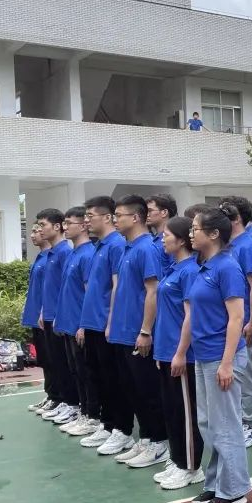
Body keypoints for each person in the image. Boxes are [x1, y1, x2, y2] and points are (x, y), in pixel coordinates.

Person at [185, 206, 251, 503]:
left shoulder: (227, 268)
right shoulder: (205, 266)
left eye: (195, 229)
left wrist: (227, 363)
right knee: (209, 424)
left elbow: (236, 318)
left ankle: (234, 489)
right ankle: (215, 483)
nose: (191, 233)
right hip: (203, 355)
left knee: (225, 424)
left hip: (221, 356)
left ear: (213, 234)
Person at [104, 194, 168, 465]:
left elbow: (153, 290)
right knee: (131, 389)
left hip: (137, 333)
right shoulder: (127, 248)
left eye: (119, 215)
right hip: (122, 332)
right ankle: (146, 438)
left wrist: (145, 331)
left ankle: (160, 442)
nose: (115, 220)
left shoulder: (147, 249)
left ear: (136, 217)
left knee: (147, 390)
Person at [155, 216, 204, 490]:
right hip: (165, 350)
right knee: (172, 410)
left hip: (181, 353)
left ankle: (191, 467)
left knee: (186, 413)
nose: (163, 239)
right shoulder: (173, 268)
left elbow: (190, 315)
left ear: (182, 240)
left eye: (167, 235)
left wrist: (181, 352)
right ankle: (177, 460)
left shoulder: (190, 272)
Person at [76, 196, 128, 450]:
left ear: (107, 217)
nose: (86, 221)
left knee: (112, 380)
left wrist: (110, 321)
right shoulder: (99, 246)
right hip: (92, 323)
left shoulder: (117, 244)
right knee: (97, 377)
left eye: (90, 216)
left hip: (105, 325)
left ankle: (119, 429)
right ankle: (106, 425)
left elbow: (117, 286)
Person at [222, 200, 252, 448]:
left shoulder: (246, 246)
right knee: (235, 373)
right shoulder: (228, 245)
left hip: (245, 321)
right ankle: (238, 420)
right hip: (230, 321)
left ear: (237, 218)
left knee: (248, 374)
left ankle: (250, 425)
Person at [54, 207, 100, 436]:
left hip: (80, 325)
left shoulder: (88, 254)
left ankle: (93, 415)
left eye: (69, 223)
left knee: (86, 372)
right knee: (75, 370)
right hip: (68, 323)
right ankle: (83, 412)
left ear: (83, 226)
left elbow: (89, 292)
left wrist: (83, 324)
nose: (65, 227)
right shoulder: (73, 253)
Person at [36, 208, 80, 424]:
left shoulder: (64, 252)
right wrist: (43, 310)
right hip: (50, 315)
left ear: (56, 226)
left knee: (65, 363)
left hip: (60, 317)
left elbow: (66, 288)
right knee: (55, 361)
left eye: (42, 225)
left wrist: (59, 314)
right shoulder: (52, 253)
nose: (39, 230)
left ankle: (72, 403)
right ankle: (62, 400)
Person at [24, 226, 53, 413]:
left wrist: (43, 311)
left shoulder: (52, 257)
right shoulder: (41, 257)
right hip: (36, 317)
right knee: (44, 359)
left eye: (37, 230)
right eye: (33, 231)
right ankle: (51, 395)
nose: (33, 235)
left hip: (46, 317)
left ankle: (58, 397)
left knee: (53, 360)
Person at [146, 194, 178, 277]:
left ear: (164, 212)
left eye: (149, 211)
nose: (146, 214)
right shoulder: (153, 239)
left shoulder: (173, 239)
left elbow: (175, 272)